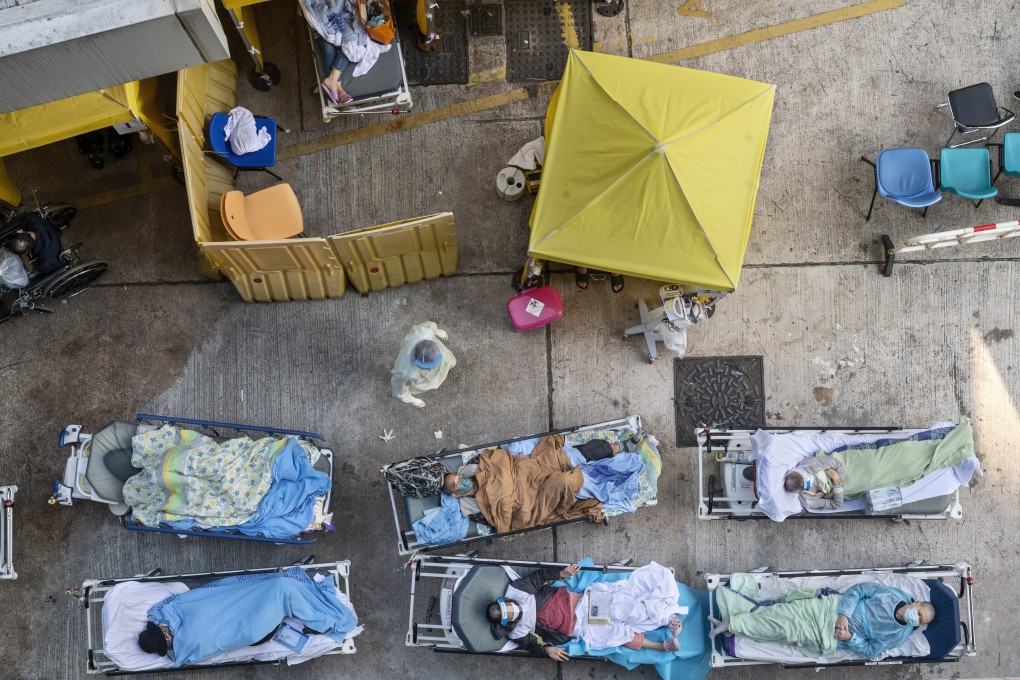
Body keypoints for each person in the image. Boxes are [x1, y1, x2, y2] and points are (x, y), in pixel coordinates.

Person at [488, 562, 684, 660]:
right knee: (617, 635)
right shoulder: (517, 631)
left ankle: (665, 616)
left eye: (511, 607)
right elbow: (532, 645)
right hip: (578, 628)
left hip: (581, 604)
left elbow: (539, 577)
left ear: (506, 601)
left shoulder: (518, 590)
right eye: (512, 615)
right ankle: (660, 646)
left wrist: (561, 574)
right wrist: (547, 649)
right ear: (507, 621)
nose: (516, 610)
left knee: (624, 608)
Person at [711, 581, 935, 661]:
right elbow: (858, 591)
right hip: (831, 608)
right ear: (916, 602)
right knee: (784, 615)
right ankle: (733, 623)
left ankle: (733, 624)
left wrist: (851, 637)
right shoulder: (892, 594)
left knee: (787, 631)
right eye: (920, 612)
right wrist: (843, 615)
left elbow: (869, 651)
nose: (916, 618)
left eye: (920, 621)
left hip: (829, 635)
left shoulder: (897, 635)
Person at [390, 321, 456, 408]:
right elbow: (399, 390)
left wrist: (437, 332)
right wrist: (412, 400)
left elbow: (430, 325)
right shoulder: (404, 372)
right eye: (428, 367)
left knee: (451, 362)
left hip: (439, 351)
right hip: (419, 376)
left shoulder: (424, 332)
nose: (431, 368)